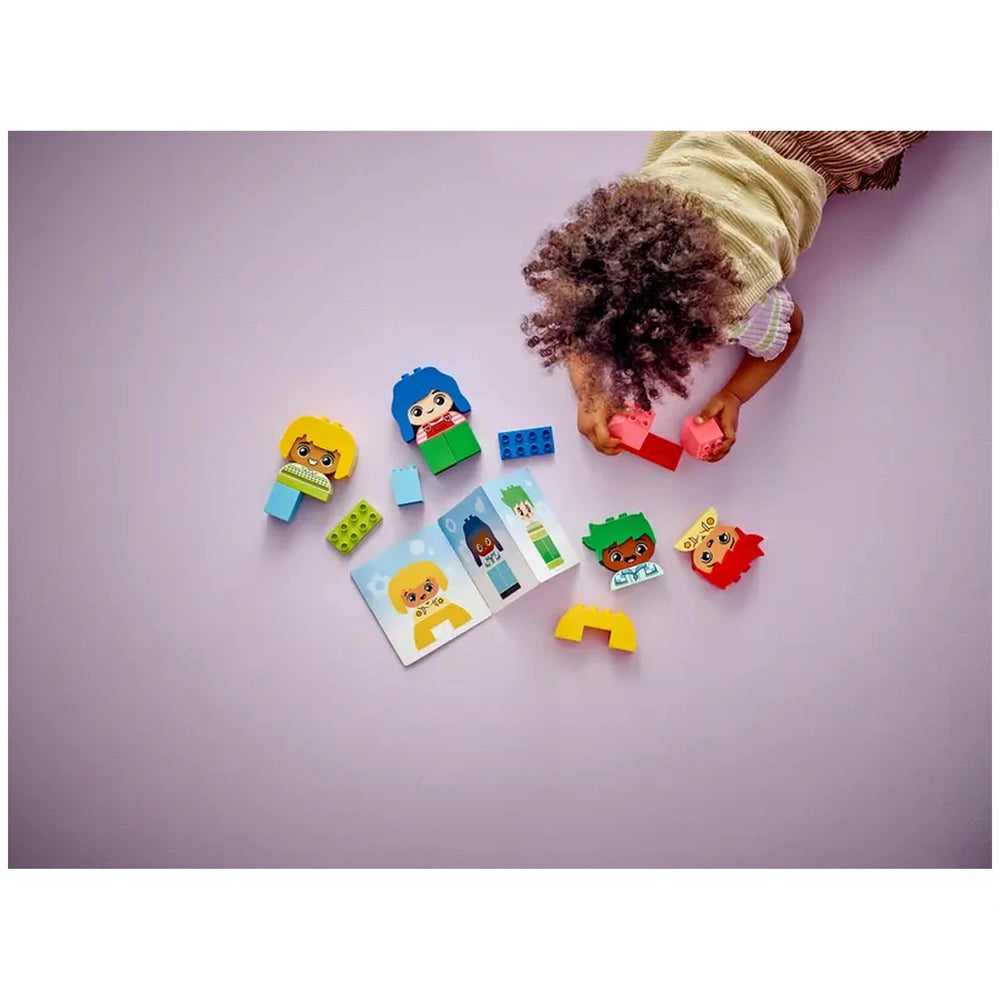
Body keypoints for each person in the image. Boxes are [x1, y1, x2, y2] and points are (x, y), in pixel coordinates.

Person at [521, 131, 928, 461]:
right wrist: (590, 390)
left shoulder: (737, 308)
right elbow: (579, 308)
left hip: (835, 145)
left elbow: (790, 330)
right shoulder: (624, 212)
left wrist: (734, 394)